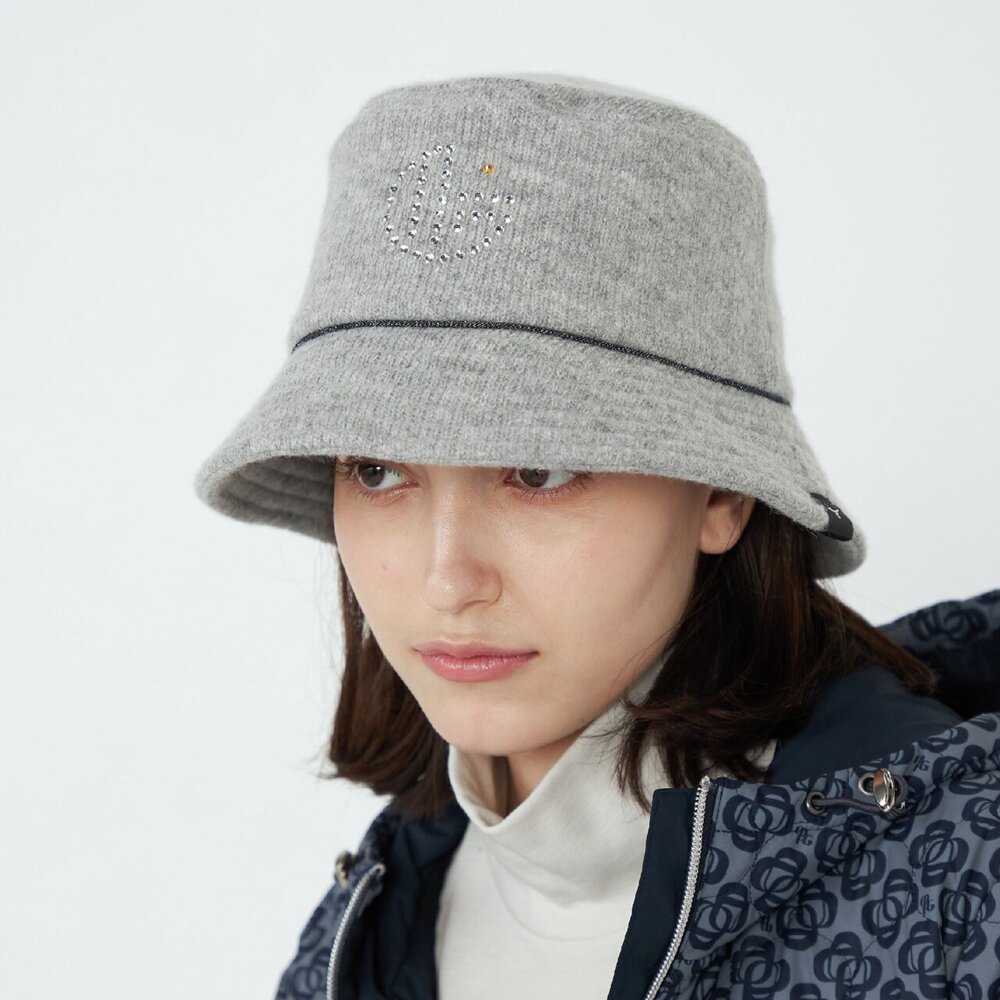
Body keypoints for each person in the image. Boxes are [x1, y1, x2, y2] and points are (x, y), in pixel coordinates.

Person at [193, 73, 1000, 999]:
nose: (448, 579)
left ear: (724, 495)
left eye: (538, 470)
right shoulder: (367, 923)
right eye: (377, 470)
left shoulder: (966, 891)